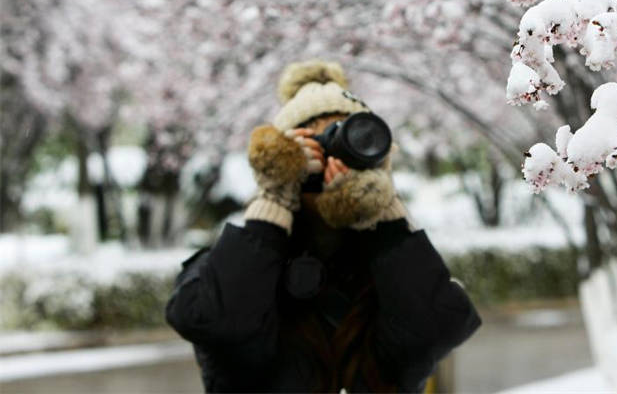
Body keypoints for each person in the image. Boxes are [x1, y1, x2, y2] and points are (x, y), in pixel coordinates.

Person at [165, 59, 482, 393]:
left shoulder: (388, 271)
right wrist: (274, 202)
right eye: (315, 146)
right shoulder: (236, 266)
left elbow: (439, 327)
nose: (333, 160)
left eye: (349, 143)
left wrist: (384, 213)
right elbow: (213, 321)